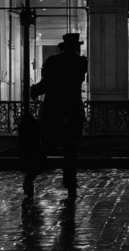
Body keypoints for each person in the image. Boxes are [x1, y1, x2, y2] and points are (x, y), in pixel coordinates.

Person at [26, 33, 88, 198]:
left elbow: (46, 84)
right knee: (71, 149)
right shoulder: (81, 62)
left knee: (46, 146)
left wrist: (33, 90)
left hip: (54, 108)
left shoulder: (53, 62)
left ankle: (30, 176)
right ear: (76, 46)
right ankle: (70, 184)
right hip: (72, 109)